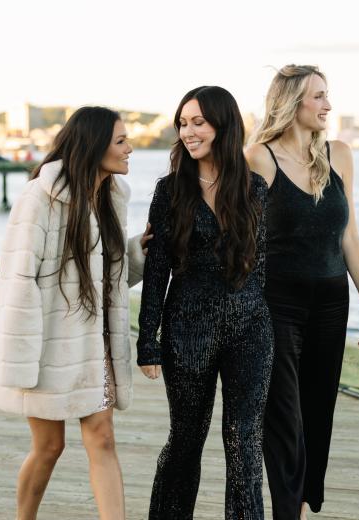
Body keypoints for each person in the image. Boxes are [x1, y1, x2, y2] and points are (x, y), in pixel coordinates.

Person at [0, 106, 151, 520]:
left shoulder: (111, 197)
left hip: (95, 345)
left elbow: (106, 279)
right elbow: (16, 283)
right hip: (45, 347)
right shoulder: (39, 199)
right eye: (120, 141)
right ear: (94, 146)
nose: (130, 148)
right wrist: (21, 361)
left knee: (103, 438)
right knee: (49, 447)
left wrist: (139, 252)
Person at [246, 65, 359, 519]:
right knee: (284, 417)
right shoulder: (259, 157)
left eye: (328, 95)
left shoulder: (339, 155)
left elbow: (349, 235)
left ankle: (300, 508)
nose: (328, 104)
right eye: (318, 96)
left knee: (317, 412)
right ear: (291, 103)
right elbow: (242, 236)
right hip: (276, 304)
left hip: (331, 302)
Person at [137, 86, 273, 520]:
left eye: (198, 122)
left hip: (250, 329)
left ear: (222, 125)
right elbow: (157, 269)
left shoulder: (254, 188)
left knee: (244, 441)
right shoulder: (169, 190)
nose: (188, 131)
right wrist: (147, 339)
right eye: (182, 123)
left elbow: (262, 267)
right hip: (187, 327)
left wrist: (270, 326)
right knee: (186, 440)